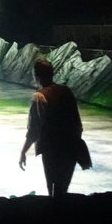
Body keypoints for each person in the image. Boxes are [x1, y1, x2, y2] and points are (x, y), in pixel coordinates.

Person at [19, 58, 87, 199]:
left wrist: (23, 151)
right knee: (63, 190)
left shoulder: (39, 97)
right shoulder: (66, 91)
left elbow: (34, 130)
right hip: (71, 148)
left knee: (53, 190)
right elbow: (77, 123)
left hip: (52, 150)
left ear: (35, 75)